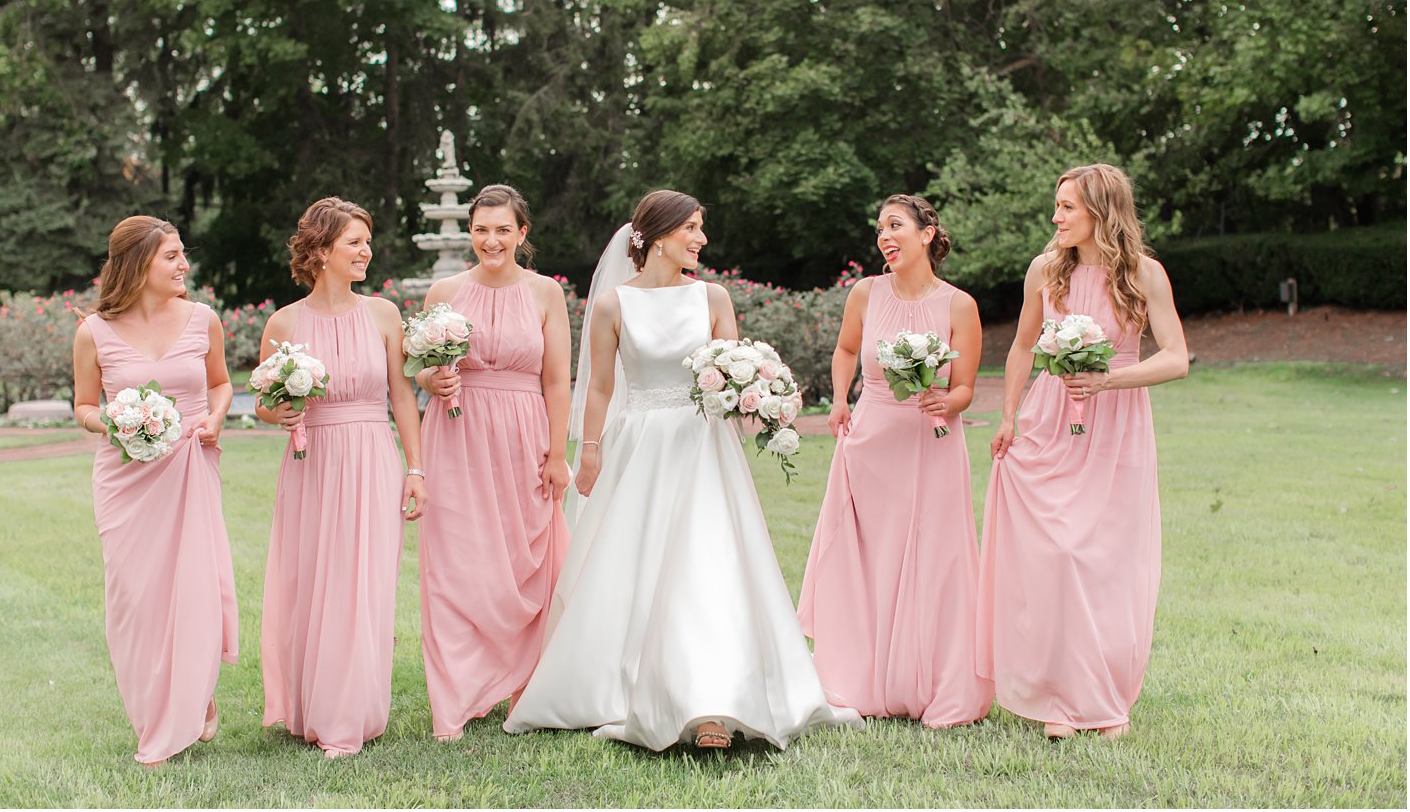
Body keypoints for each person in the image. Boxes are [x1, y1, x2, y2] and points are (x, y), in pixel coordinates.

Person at [503, 189, 860, 751]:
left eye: (700, 227)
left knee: (708, 559)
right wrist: (589, 450)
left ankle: (711, 695)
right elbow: (598, 386)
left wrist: (757, 395)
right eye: (692, 229)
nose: (701, 239)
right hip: (641, 444)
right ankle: (618, 685)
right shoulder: (613, 304)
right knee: (633, 560)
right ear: (660, 237)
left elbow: (735, 369)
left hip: (704, 446)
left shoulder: (712, 297)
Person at [978, 163, 1189, 740]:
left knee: (1100, 561)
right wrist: (1008, 415)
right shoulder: (1046, 271)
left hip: (1116, 424)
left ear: (1102, 209)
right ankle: (1058, 701)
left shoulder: (1144, 274)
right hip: (1049, 421)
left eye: (1067, 206)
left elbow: (1176, 357)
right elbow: (1022, 347)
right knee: (1054, 556)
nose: (1056, 217)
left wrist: (1109, 381)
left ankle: (1103, 700)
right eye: (1057, 205)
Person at [797, 194, 992, 727]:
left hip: (931, 443)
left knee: (935, 553)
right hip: (873, 438)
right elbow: (844, 351)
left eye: (896, 224)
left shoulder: (959, 305)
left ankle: (933, 682)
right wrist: (839, 399)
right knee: (868, 556)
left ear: (927, 233)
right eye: (880, 226)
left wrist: (947, 401)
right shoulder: (865, 292)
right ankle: (862, 678)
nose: (885, 235)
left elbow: (967, 386)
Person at [257, 197, 428, 759]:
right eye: (354, 241)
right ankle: (313, 706)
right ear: (322, 250)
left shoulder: (382, 314)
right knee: (312, 580)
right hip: (313, 462)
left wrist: (416, 468)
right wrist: (276, 412)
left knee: (364, 581)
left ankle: (350, 712)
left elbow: (403, 396)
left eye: (366, 241)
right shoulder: (284, 323)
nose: (366, 251)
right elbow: (264, 401)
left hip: (372, 454)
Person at [72, 216, 238, 766]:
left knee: (191, 589)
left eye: (182, 254)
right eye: (172, 256)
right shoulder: (93, 331)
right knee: (134, 601)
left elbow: (220, 384)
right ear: (139, 262)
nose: (184, 265)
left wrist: (215, 419)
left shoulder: (202, 320)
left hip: (190, 466)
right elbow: (84, 406)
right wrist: (116, 423)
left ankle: (186, 708)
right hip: (125, 481)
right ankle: (154, 711)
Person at [416, 184, 571, 740]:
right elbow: (420, 367)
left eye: (503, 229)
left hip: (525, 436)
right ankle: (454, 701)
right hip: (456, 435)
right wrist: (429, 378)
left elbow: (557, 380)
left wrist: (558, 453)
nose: (491, 240)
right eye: (482, 229)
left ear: (522, 234)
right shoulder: (445, 290)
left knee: (525, 561)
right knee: (455, 562)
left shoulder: (546, 293)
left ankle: (524, 688)